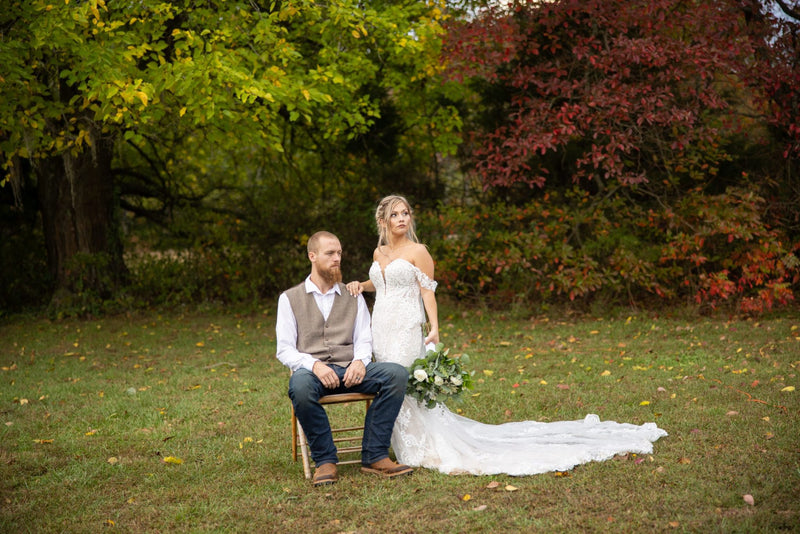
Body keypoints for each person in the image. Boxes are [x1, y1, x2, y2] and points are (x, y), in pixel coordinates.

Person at [346, 195, 668, 476]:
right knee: (391, 380)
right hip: (381, 327)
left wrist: (435, 327)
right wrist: (362, 285)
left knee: (406, 382)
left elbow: (427, 291)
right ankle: (396, 444)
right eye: (395, 214)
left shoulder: (419, 251)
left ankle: (421, 445)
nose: (402, 219)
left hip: (405, 326)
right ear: (383, 220)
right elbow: (383, 280)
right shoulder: (379, 253)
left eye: (406, 213)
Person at [276, 230, 412, 486]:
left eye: (339, 253)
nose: (337, 258)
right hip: (312, 372)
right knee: (300, 387)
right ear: (312, 256)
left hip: (351, 369)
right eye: (330, 253)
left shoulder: (353, 295)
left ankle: (375, 455)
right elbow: (284, 349)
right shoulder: (289, 299)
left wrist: (360, 361)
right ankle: (325, 460)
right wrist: (314, 365)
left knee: (396, 374)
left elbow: (363, 338)